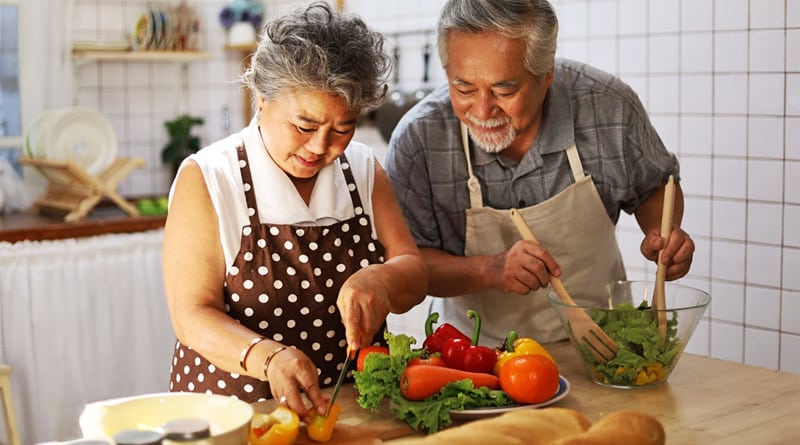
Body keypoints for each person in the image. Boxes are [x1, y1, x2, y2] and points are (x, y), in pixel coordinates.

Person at [162, 1, 428, 421]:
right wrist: (267, 357)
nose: (322, 147)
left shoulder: (362, 168)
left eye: (343, 128)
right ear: (261, 99)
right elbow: (191, 315)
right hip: (234, 417)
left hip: (348, 413)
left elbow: (414, 273)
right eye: (304, 126)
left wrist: (381, 278)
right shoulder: (210, 178)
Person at [384, 0, 695, 347]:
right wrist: (490, 269)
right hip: (478, 359)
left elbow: (655, 186)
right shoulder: (419, 140)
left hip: (603, 348)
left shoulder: (607, 106)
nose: (483, 110)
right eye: (464, 88)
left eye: (505, 89)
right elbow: (409, 266)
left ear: (546, 73)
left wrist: (662, 234)